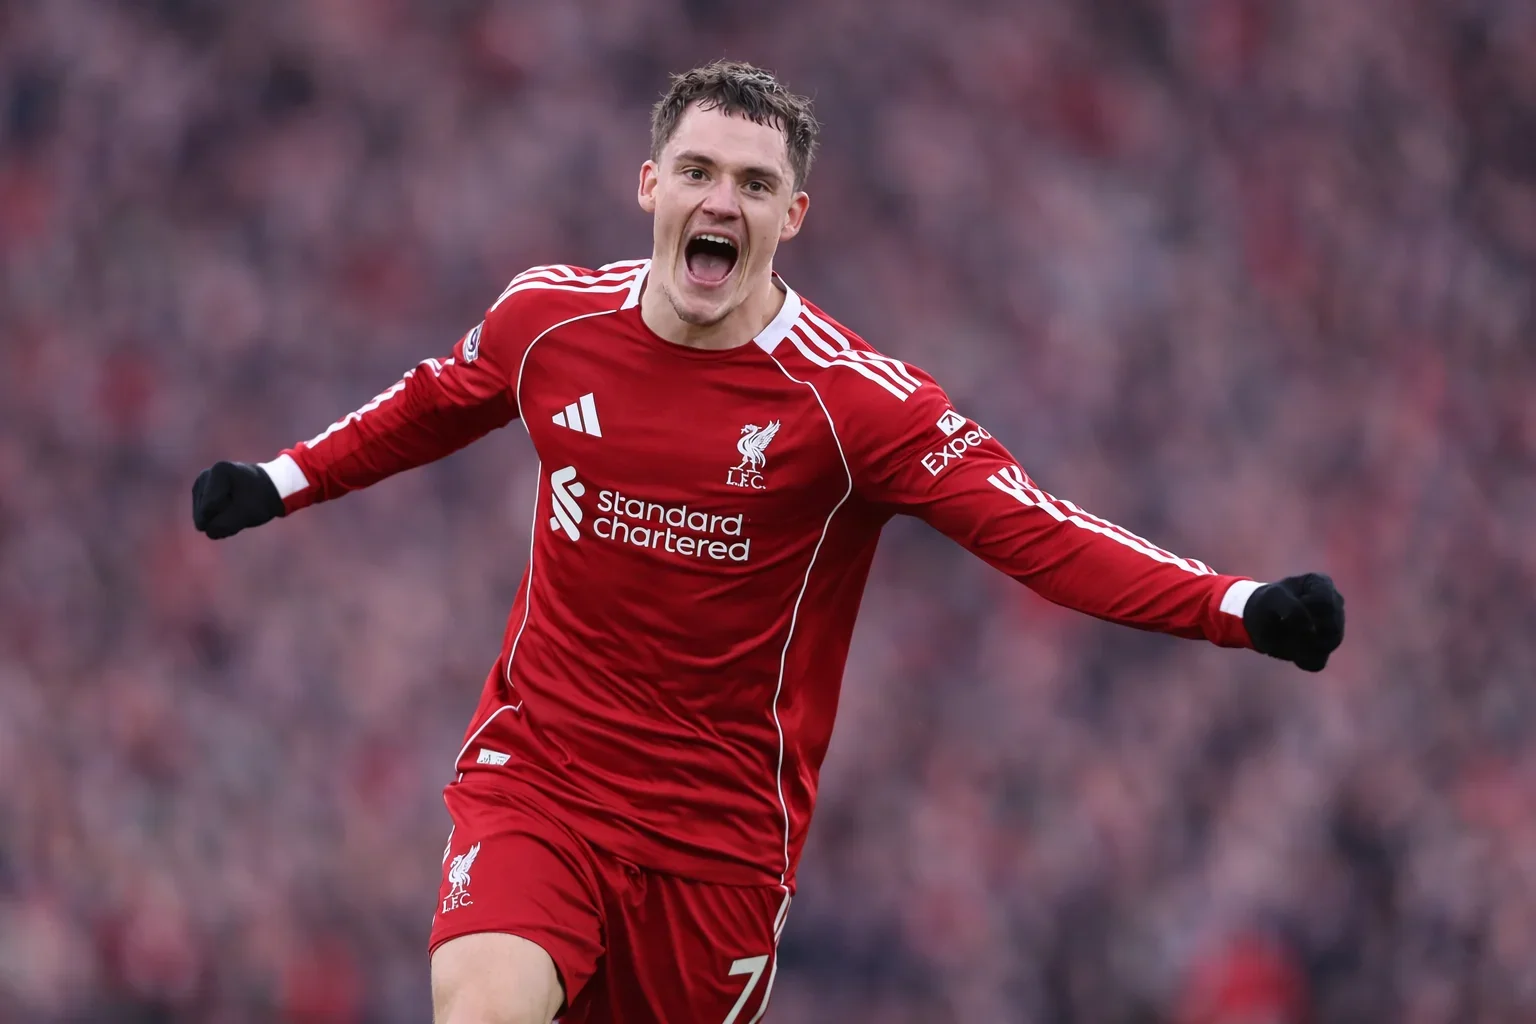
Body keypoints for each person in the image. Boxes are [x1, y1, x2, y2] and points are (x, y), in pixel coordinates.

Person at [190, 60, 1345, 1024]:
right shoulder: (548, 321)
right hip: (541, 784)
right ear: (649, 184)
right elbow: (435, 399)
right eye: (697, 171)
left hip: (719, 845)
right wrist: (280, 482)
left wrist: (1237, 607)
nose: (720, 202)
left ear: (791, 217)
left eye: (754, 183)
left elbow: (1036, 532)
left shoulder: (854, 405)